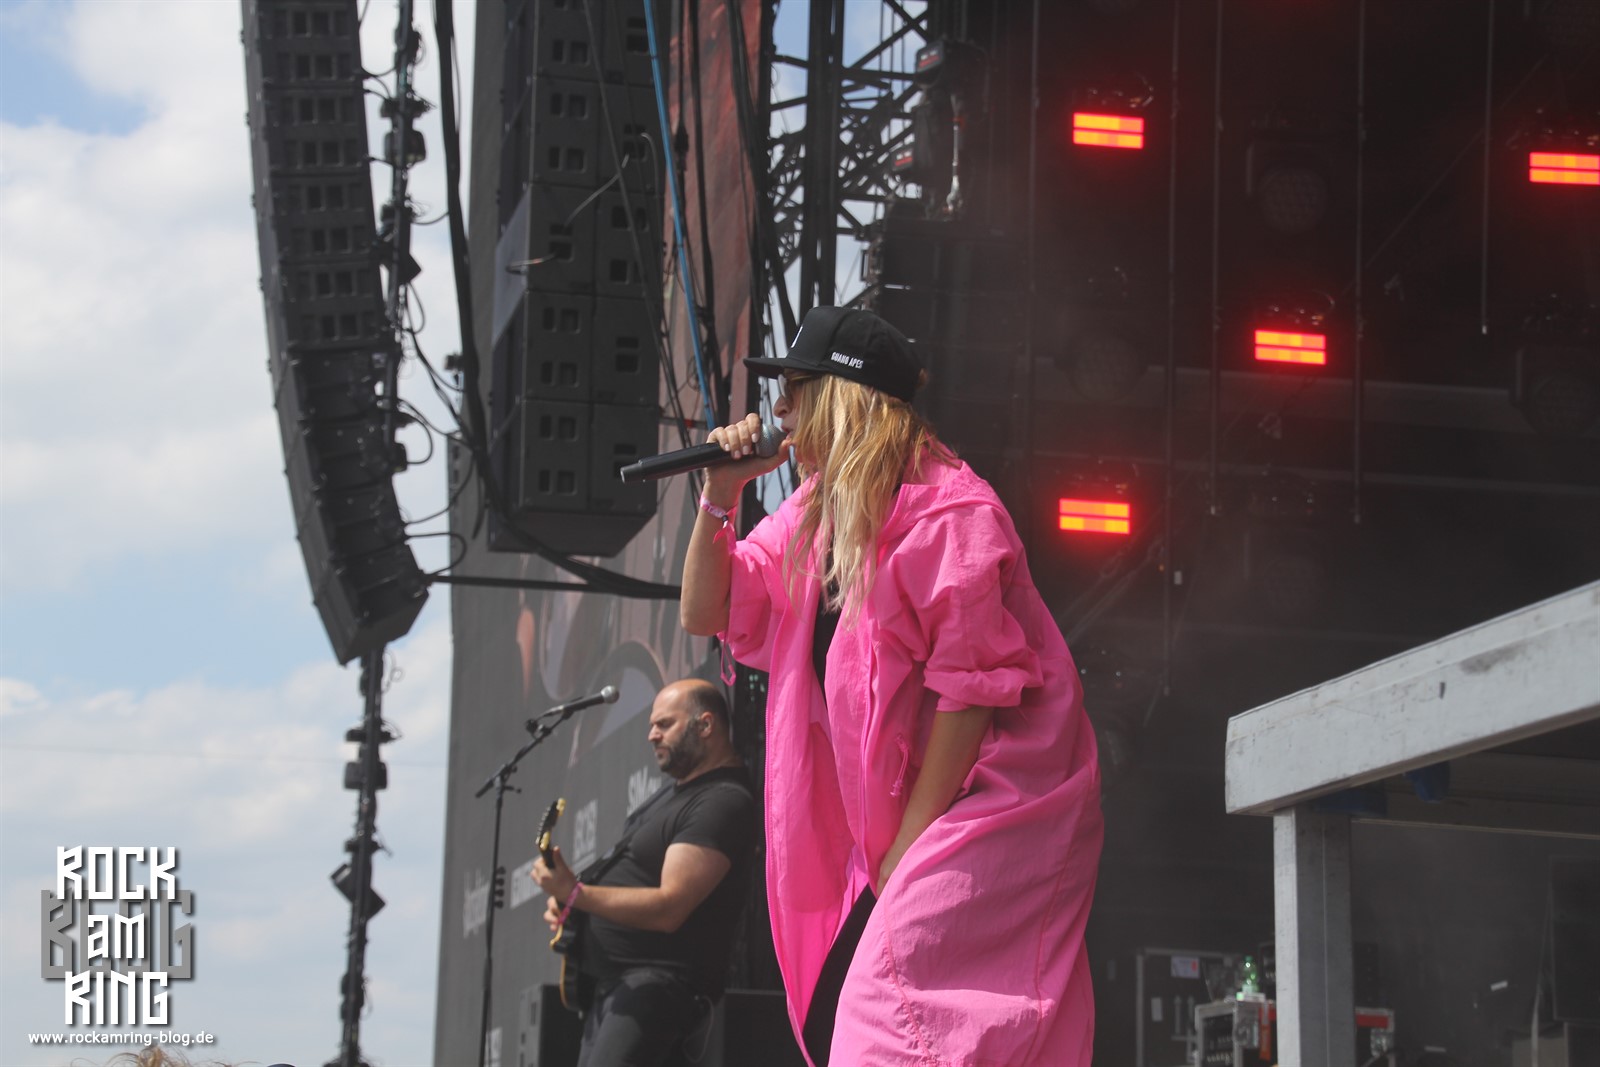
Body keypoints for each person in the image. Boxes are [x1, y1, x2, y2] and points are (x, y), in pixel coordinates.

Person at [680, 306, 1104, 1066]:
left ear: (838, 397)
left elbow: (970, 697)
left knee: (886, 1022)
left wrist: (904, 858)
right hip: (910, 819)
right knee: (836, 1019)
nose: (779, 410)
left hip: (994, 804)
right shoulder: (817, 512)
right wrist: (720, 493)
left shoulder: (952, 511)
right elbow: (706, 611)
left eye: (794, 391)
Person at [531, 678, 756, 1067]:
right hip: (617, 991)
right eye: (652, 725)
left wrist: (577, 894)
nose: (652, 735)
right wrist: (573, 906)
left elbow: (671, 906)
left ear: (705, 725)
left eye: (664, 724)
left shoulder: (722, 801)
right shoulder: (673, 794)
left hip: (656, 988)